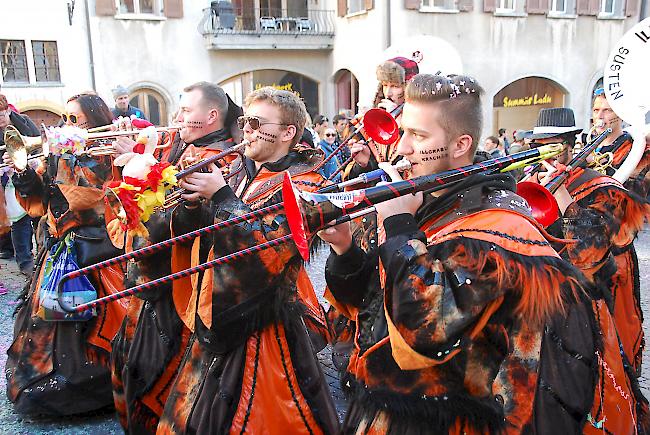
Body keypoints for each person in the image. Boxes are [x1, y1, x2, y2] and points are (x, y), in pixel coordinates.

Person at [320, 73, 588, 433]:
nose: (402, 148)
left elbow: (427, 329)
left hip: (448, 421)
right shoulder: (426, 202)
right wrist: (345, 248)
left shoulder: (498, 227)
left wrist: (399, 226)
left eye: (419, 135)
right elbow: (373, 305)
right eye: (404, 132)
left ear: (461, 144)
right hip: (388, 410)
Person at [157, 87, 339, 434]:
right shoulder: (239, 172)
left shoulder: (310, 182)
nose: (248, 131)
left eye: (257, 123)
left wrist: (221, 196)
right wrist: (193, 206)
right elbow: (205, 236)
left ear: (288, 133)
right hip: (218, 305)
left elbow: (272, 249)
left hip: (265, 321)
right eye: (245, 122)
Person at [109, 81, 244, 434]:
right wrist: (138, 157)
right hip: (153, 271)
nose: (178, 117)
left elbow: (190, 221)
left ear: (212, 116)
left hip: (180, 280)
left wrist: (148, 171)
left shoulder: (222, 157)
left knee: (155, 372)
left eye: (186, 110)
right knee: (129, 360)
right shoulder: (183, 146)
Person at [525, 107, 650, 432]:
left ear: (568, 144)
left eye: (553, 146)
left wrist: (567, 205)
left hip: (600, 306)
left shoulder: (604, 189)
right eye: (540, 146)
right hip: (553, 311)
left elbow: (597, 257)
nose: (545, 156)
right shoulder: (530, 178)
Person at [4, 93, 126, 415]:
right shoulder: (60, 154)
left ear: (94, 119)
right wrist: (26, 175)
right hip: (59, 244)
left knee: (93, 320)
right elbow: (42, 203)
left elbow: (93, 197)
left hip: (96, 249)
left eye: (76, 119)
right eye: (66, 119)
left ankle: (93, 388)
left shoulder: (108, 152)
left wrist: (71, 159)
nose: (68, 125)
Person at [0, 94, 38, 273]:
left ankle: (42, 255)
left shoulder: (24, 121)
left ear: (7, 110)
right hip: (7, 178)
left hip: (31, 171)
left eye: (0, 114)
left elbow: (37, 140)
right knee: (19, 221)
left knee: (37, 214)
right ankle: (24, 262)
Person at [590, 87, 650, 199]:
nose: (599, 116)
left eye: (607, 110)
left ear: (620, 114)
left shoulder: (637, 149)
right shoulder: (586, 146)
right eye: (596, 110)